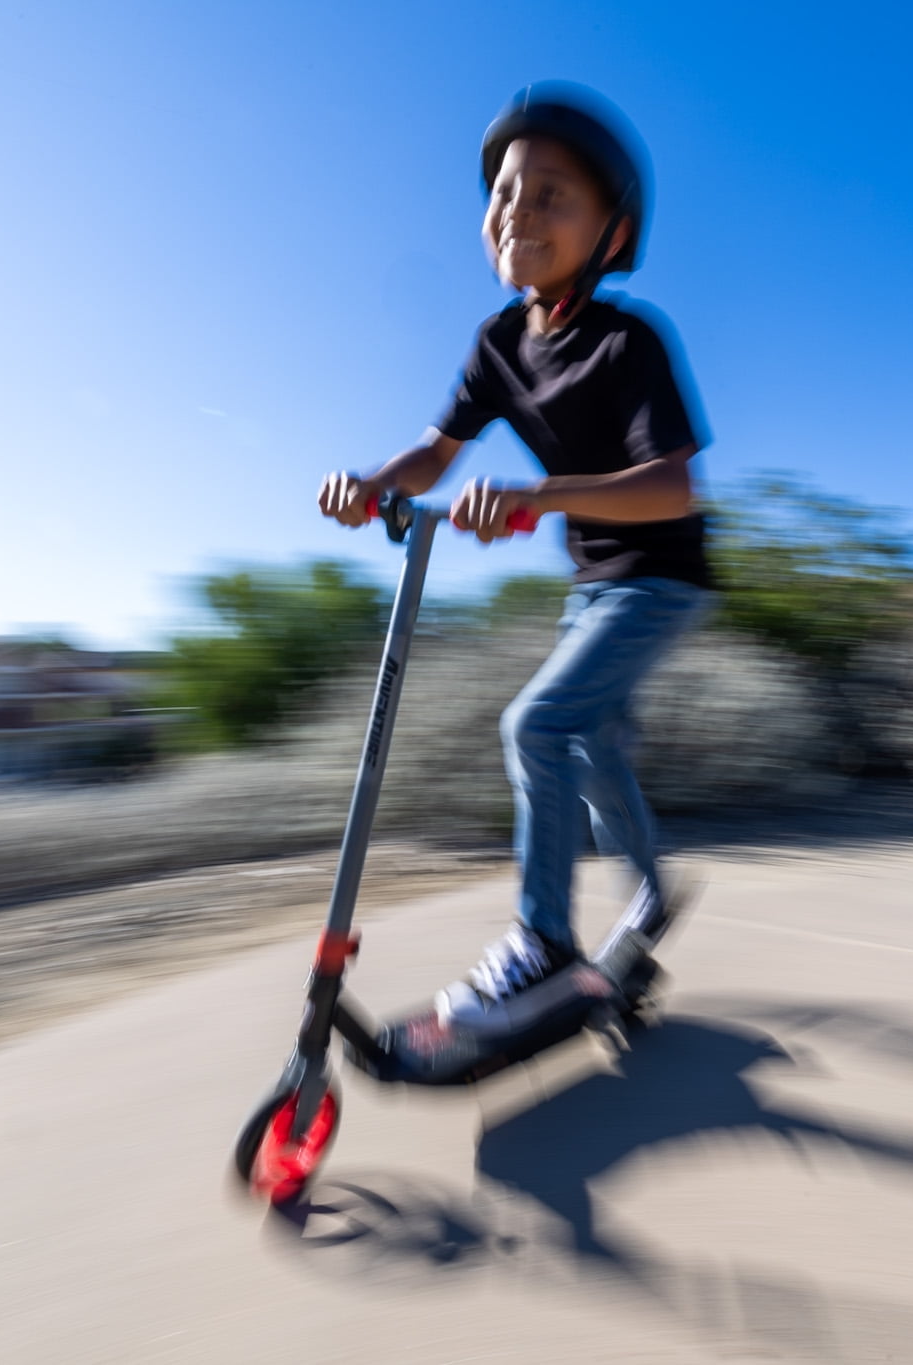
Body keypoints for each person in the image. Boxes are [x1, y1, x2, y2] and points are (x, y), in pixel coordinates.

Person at [317, 84, 713, 1030]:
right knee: (597, 740)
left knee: (537, 726)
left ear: (611, 236)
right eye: (505, 192)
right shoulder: (499, 342)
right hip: (595, 580)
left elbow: (672, 487)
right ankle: (652, 893)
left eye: (551, 196)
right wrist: (376, 483)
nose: (517, 212)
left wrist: (536, 497)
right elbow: (435, 453)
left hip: (661, 576)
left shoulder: (629, 341)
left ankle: (542, 943)